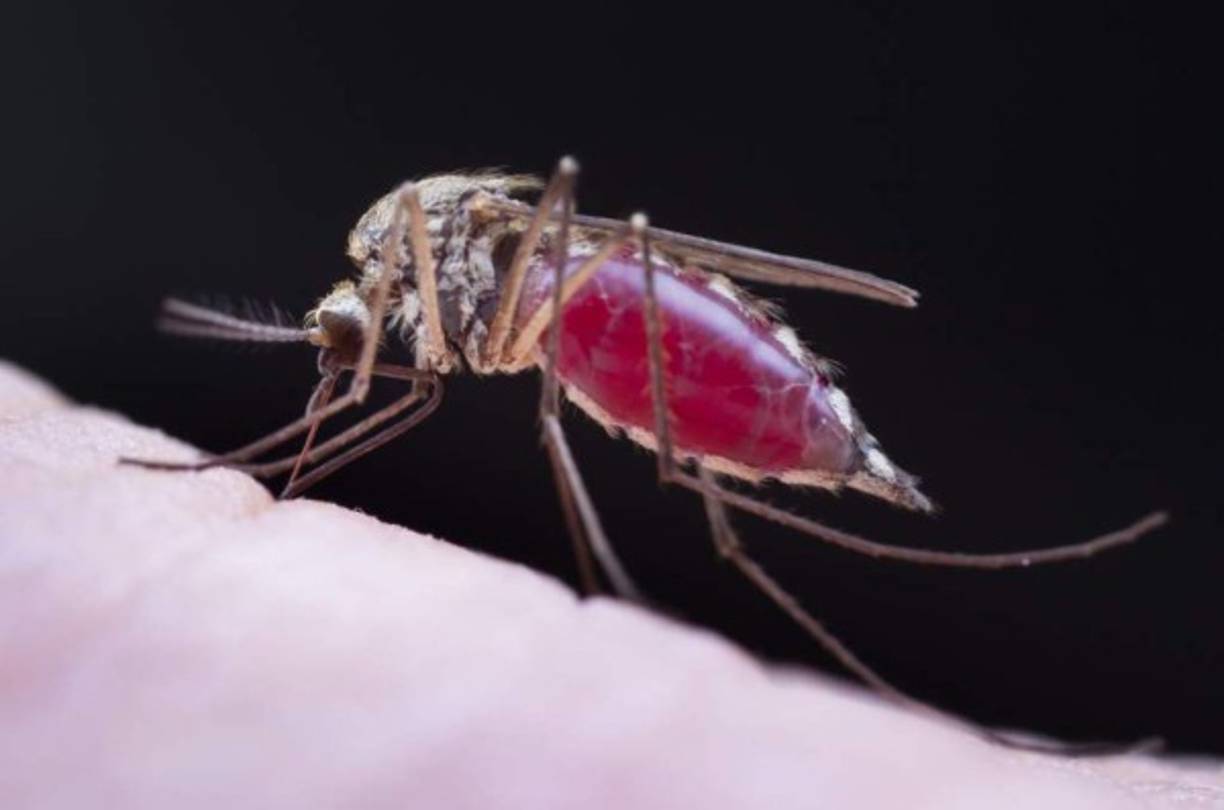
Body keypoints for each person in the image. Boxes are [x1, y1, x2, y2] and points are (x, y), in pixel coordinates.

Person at [0, 360, 1217, 809]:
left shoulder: (436, 279)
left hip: (604, 295)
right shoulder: (421, 306)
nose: (340, 372)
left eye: (337, 348)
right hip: (582, 293)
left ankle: (726, 536)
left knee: (554, 386)